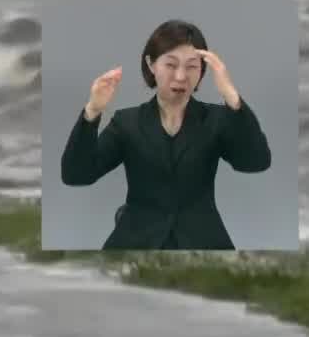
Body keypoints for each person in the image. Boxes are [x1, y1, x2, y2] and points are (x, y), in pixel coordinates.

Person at [58, 18, 272, 250]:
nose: (181, 76)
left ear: (203, 71)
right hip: (136, 240)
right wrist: (92, 111)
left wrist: (232, 97)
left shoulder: (216, 119)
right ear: (151, 64)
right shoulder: (127, 122)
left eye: (192, 66)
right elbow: (76, 175)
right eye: (171, 65)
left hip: (203, 241)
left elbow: (255, 162)